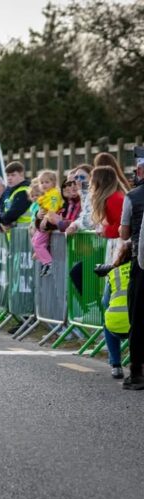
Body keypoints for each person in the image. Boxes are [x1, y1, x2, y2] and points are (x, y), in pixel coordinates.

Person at [122, 156, 144, 389]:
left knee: (138, 317)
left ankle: (137, 372)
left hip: (141, 261)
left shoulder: (133, 196)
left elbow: (124, 233)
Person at [96, 242, 131, 379]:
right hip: (135, 324)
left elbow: (105, 302)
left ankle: (116, 366)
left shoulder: (113, 273)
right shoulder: (139, 271)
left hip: (115, 325)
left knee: (107, 322)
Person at [32, 170, 63, 276]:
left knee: (38, 243)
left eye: (47, 182)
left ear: (53, 182)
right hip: (44, 222)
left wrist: (45, 218)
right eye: (41, 182)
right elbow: (42, 209)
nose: (44, 185)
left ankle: (48, 263)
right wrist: (38, 214)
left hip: (50, 222)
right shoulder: (46, 195)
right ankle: (42, 254)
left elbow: (53, 208)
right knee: (35, 241)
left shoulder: (54, 194)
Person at [0, 161, 32, 231]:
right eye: (7, 175)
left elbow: (11, 215)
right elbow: (1, 209)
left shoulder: (24, 191)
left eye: (13, 175)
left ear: (21, 174)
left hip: (25, 232)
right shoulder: (10, 190)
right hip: (16, 234)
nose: (9, 178)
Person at [65, 164, 94, 234]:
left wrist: (75, 225)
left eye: (82, 177)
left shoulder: (93, 195)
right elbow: (83, 216)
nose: (78, 180)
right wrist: (74, 225)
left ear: (91, 178)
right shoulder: (84, 194)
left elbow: (89, 221)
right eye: (76, 177)